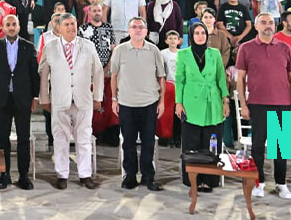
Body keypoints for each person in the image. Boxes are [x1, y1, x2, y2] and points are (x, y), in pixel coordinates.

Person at [235, 13, 291, 199]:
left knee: (280, 148)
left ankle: (281, 183)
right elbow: (240, 79)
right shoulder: (246, 48)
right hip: (257, 104)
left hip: (282, 104)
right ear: (256, 26)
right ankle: (259, 182)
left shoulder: (285, 48)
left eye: (271, 22)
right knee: (257, 147)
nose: (268, 25)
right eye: (263, 22)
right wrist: (243, 105)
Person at [39, 13, 104, 190]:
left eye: (73, 24)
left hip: (83, 99)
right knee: (60, 138)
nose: (71, 28)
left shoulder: (88, 45)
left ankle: (85, 174)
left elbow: (98, 72)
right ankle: (62, 174)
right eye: (66, 24)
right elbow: (43, 75)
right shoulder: (50, 47)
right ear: (58, 27)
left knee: (83, 139)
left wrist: (98, 96)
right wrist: (44, 98)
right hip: (60, 100)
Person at [110, 18, 166, 191]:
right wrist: (114, 99)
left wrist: (162, 101)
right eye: (134, 27)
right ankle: (130, 176)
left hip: (149, 103)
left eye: (141, 27)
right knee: (128, 142)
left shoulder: (154, 50)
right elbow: (113, 76)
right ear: (128, 30)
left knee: (149, 142)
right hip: (126, 103)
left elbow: (161, 77)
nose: (138, 30)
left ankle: (148, 177)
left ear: (146, 31)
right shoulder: (120, 50)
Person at [0, 14, 40, 190]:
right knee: (3, 139)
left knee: (23, 138)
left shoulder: (28, 46)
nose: (11, 27)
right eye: (8, 24)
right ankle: (4, 174)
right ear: (3, 26)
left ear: (18, 27)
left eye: (14, 24)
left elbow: (34, 74)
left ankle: (23, 176)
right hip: (2, 99)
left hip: (23, 99)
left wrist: (35, 97)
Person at [175, 22, 230, 191]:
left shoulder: (214, 53)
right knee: (192, 143)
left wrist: (225, 99)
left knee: (211, 142)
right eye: (197, 33)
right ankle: (192, 179)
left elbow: (221, 77)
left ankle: (209, 180)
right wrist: (178, 102)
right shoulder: (183, 54)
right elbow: (179, 80)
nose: (200, 36)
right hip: (191, 102)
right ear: (191, 36)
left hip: (212, 101)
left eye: (203, 33)